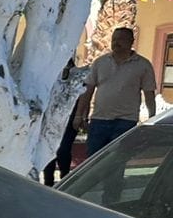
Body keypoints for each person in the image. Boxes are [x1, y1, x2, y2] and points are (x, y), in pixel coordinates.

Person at [78, 27, 157, 159]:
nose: (116, 42)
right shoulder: (100, 63)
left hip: (126, 122)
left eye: (120, 39)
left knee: (118, 161)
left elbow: (149, 94)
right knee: (93, 160)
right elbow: (88, 91)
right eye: (114, 39)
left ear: (131, 41)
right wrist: (80, 115)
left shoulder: (143, 65)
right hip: (99, 120)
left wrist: (151, 119)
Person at [44, 57, 80, 187]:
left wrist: (80, 117)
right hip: (50, 121)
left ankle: (65, 179)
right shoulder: (49, 80)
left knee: (63, 150)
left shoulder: (76, 81)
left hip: (68, 122)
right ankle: (48, 182)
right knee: (48, 151)